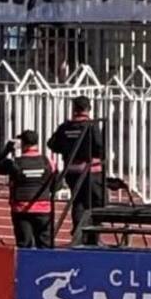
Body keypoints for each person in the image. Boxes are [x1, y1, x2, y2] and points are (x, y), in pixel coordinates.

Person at [48, 95, 105, 246]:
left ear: (74, 109)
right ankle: (92, 236)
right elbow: (99, 147)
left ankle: (78, 234)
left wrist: (68, 148)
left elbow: (52, 144)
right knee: (95, 203)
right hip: (91, 171)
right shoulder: (91, 125)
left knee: (78, 202)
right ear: (88, 109)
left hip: (71, 171)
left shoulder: (65, 127)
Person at [0, 130, 55, 249]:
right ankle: (47, 266)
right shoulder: (48, 162)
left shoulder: (14, 163)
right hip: (43, 208)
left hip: (21, 209)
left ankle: (26, 267)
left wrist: (7, 149)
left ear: (23, 144)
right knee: (45, 245)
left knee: (24, 245)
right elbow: (57, 185)